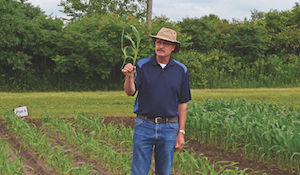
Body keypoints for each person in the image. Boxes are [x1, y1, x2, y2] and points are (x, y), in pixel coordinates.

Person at [121, 27, 191, 175]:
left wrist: (181, 132)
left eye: (166, 43)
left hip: (169, 127)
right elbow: (130, 92)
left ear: (173, 47)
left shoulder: (181, 70)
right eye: (158, 42)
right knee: (138, 171)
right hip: (144, 125)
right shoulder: (141, 65)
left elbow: (183, 103)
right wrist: (129, 77)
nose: (161, 46)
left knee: (164, 172)